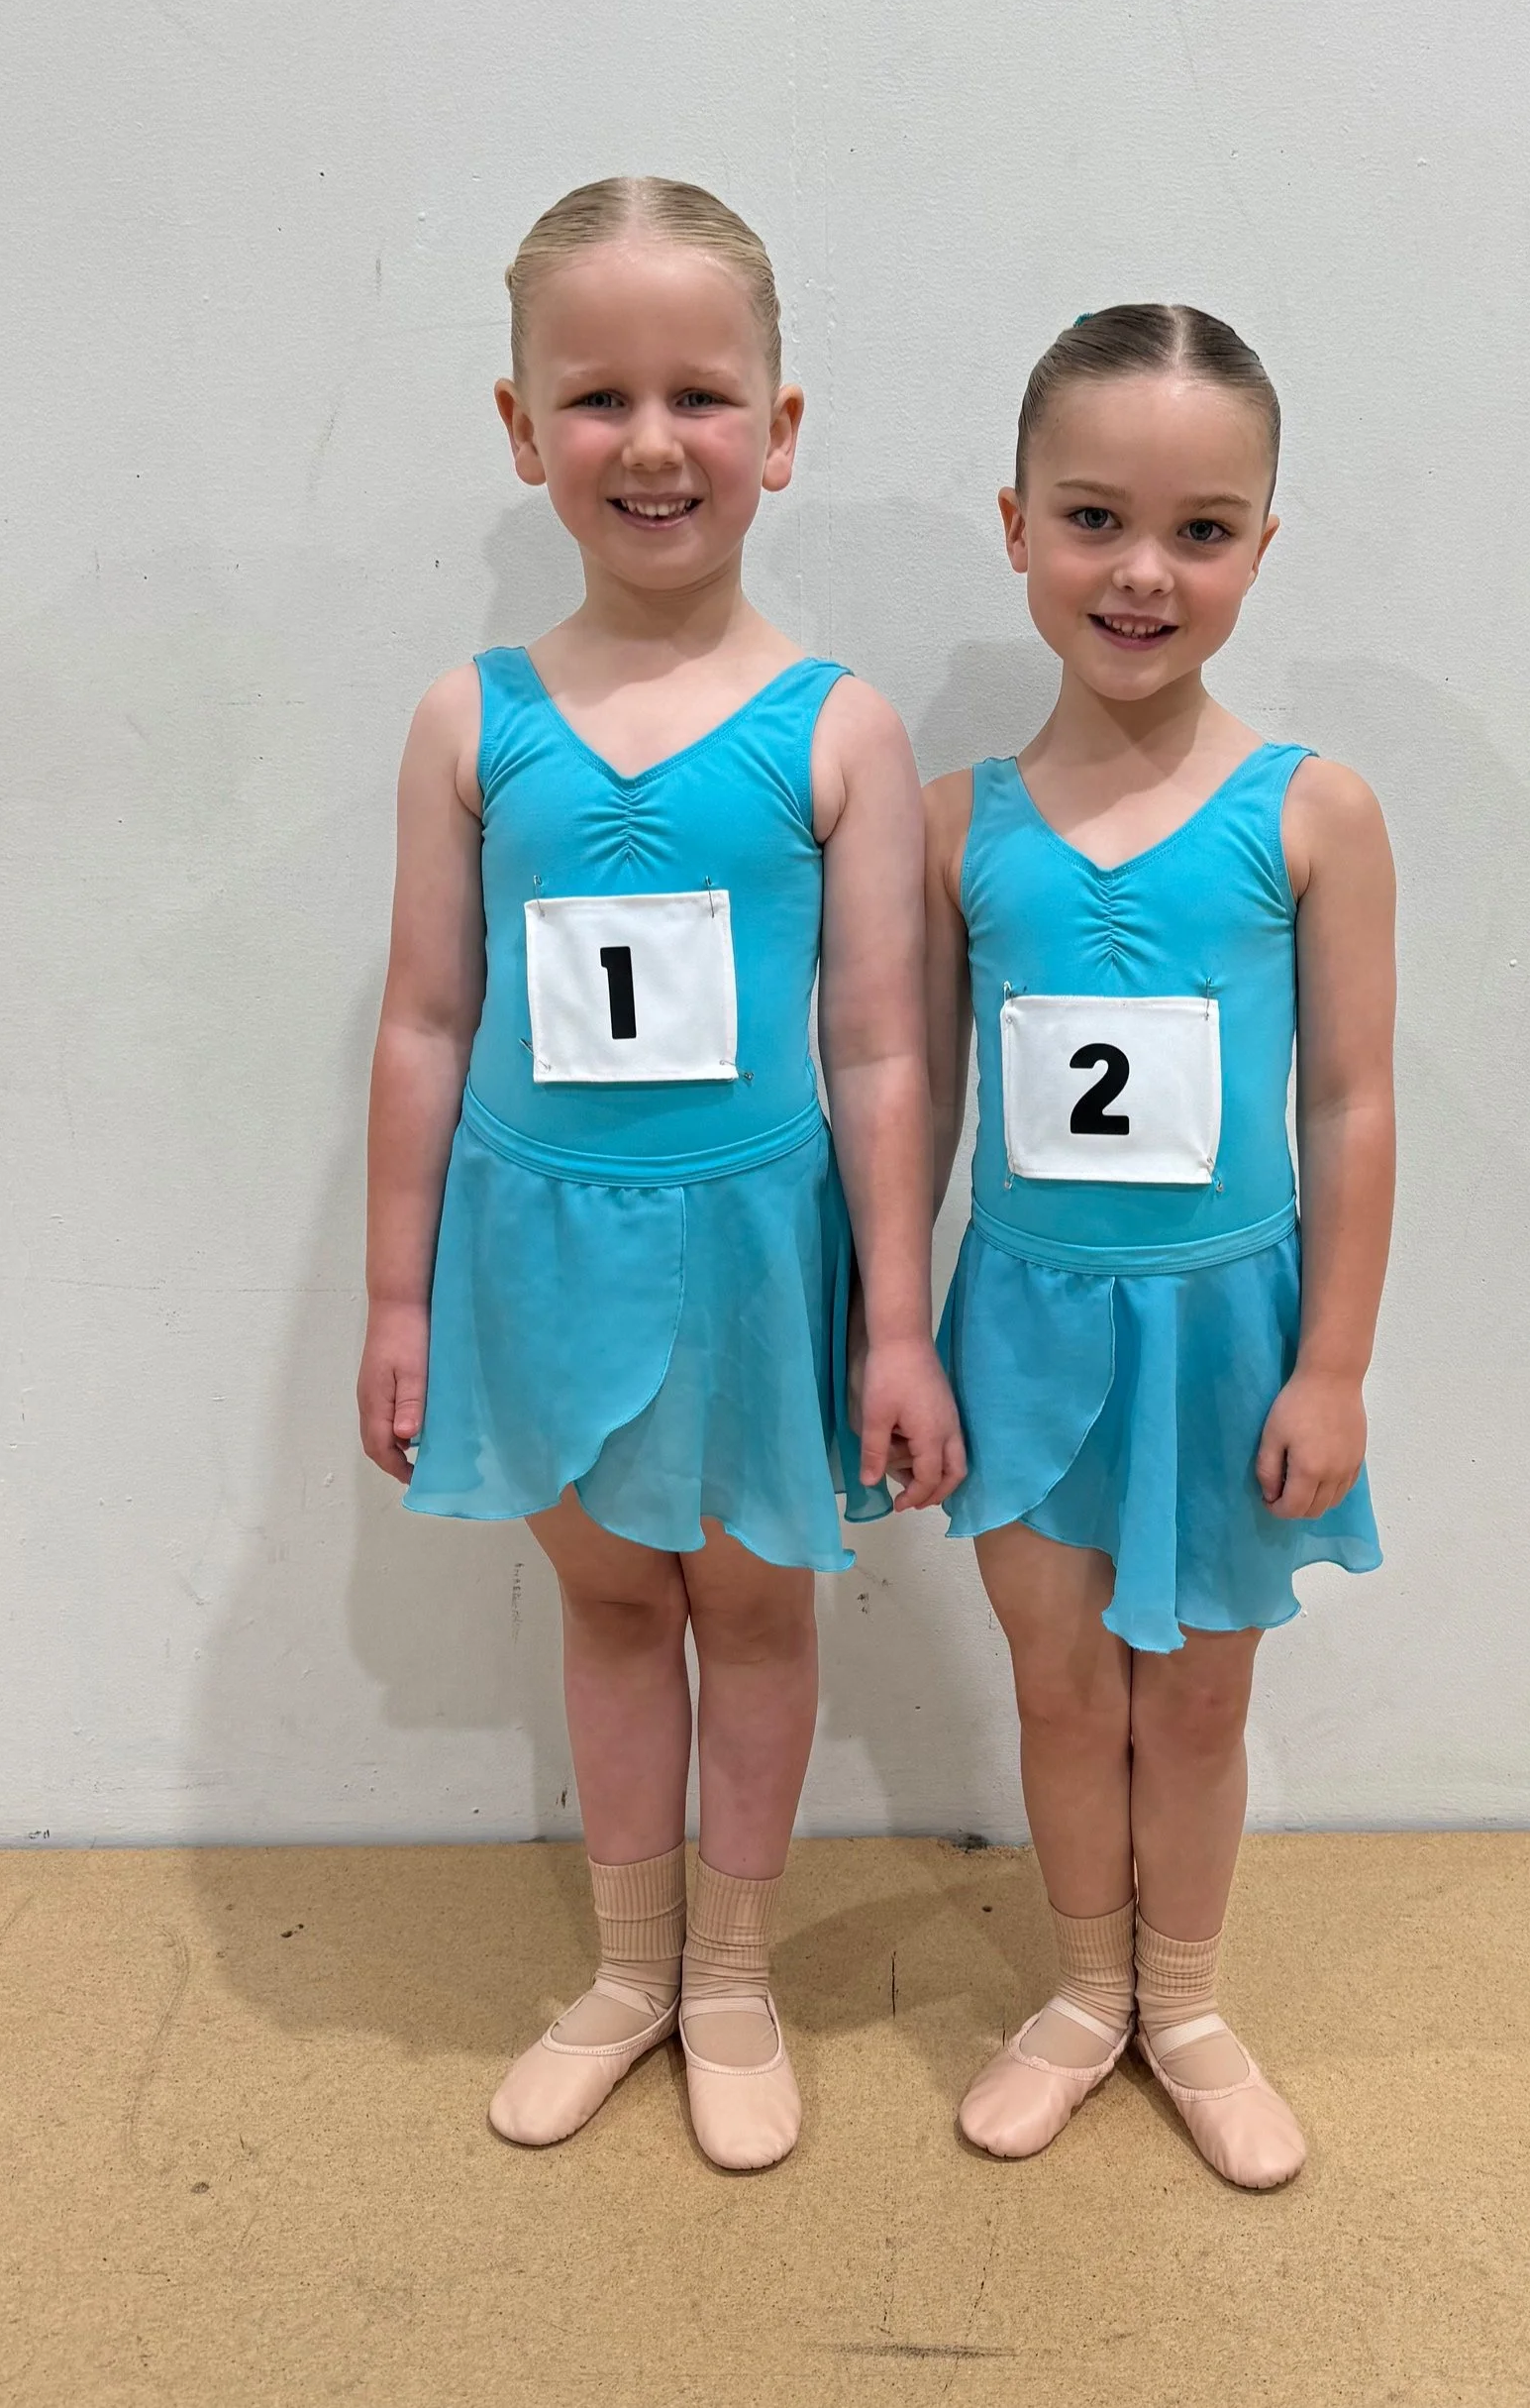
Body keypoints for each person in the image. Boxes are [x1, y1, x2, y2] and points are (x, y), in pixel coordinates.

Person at [358, 176, 964, 2173]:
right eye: (594, 395)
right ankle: (624, 1964)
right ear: (522, 430)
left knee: (757, 1612)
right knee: (610, 1606)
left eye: (698, 394)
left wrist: (891, 1313)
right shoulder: (474, 716)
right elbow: (429, 1019)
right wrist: (393, 1294)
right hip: (534, 1247)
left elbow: (881, 1042)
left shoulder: (836, 728)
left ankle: (730, 1969)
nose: (647, 440)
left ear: (776, 432)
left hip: (751, 1252)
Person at [925, 304, 1394, 2189]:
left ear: (1262, 547)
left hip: (1231, 1336)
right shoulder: (954, 826)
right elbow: (916, 1106)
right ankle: (1080, 1988)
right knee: (1057, 1685)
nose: (1143, 570)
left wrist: (1336, 1360)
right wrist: (895, 1331)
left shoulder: (1314, 816)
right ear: (1018, 524)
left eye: (1203, 529)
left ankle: (1182, 2003)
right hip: (1024, 1335)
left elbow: (1351, 1102)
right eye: (1095, 517)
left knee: (1198, 1693)